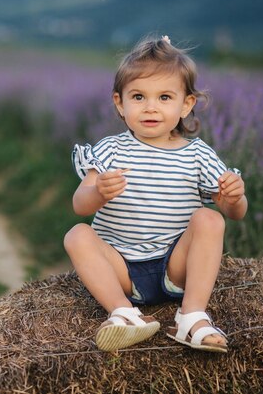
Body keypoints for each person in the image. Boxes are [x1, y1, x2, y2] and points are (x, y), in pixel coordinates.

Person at [64, 35, 247, 353]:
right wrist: (98, 192)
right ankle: (123, 313)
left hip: (174, 266)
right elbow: (80, 205)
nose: (151, 107)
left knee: (209, 218)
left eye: (164, 97)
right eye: (138, 97)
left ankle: (192, 317)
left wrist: (233, 197)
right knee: (77, 235)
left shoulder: (198, 155)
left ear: (186, 104)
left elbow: (236, 213)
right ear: (119, 103)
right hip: (121, 267)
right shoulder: (109, 150)